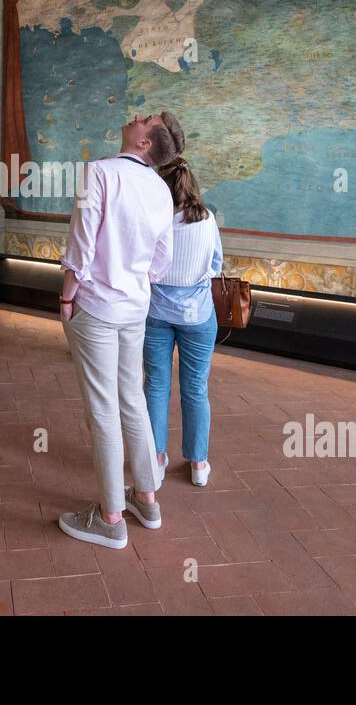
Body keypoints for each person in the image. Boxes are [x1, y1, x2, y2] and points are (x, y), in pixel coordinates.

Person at [57, 112, 186, 549]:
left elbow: (81, 241)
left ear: (146, 141)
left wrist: (67, 295)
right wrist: (132, 277)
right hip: (135, 306)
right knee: (131, 397)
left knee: (102, 407)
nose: (133, 117)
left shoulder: (101, 172)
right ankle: (146, 498)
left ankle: (111, 517)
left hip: (96, 305)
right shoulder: (161, 189)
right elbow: (162, 258)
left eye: (143, 119)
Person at [143, 158, 223, 488]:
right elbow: (216, 265)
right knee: (195, 389)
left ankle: (156, 458)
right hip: (198, 315)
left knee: (156, 386)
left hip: (156, 313)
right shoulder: (207, 220)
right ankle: (198, 463)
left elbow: (144, 266)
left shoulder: (154, 221)